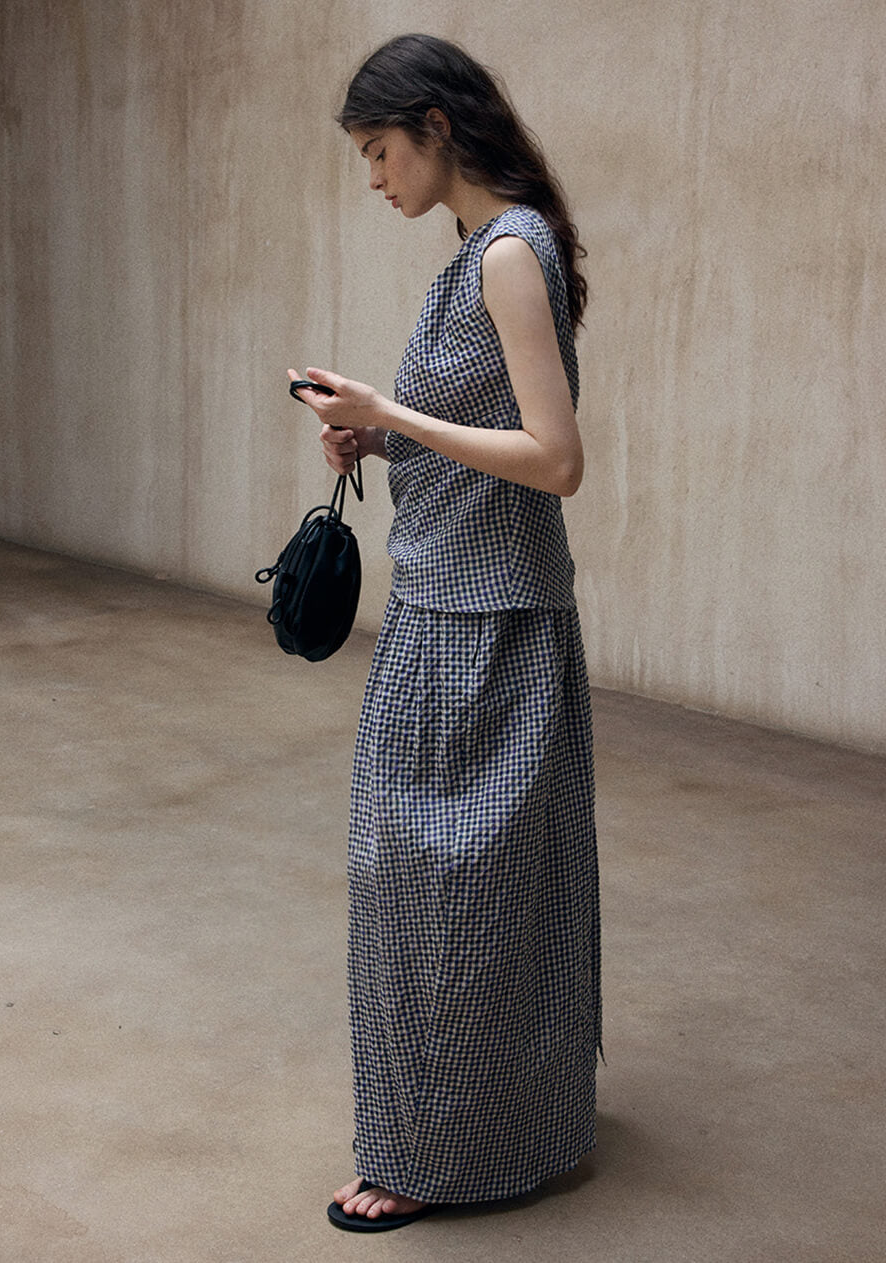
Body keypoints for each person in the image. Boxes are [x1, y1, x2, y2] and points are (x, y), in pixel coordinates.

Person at [288, 33, 602, 1233]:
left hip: (488, 632)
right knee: (462, 898)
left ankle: (439, 1156)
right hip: (447, 614)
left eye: (379, 152)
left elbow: (555, 460)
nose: (374, 178)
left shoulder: (507, 255)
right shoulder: (478, 249)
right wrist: (376, 433)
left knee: (449, 903)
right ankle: (484, 1131)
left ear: (434, 126)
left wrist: (392, 412)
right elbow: (488, 428)